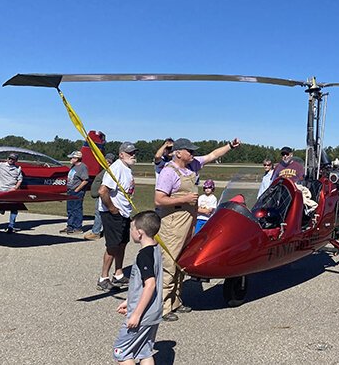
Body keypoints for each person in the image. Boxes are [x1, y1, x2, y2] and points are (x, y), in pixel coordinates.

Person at [155, 137, 241, 321]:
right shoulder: (168, 172)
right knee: (169, 263)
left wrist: (229, 146)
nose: (193, 154)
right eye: (189, 151)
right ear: (178, 153)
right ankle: (163, 307)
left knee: (181, 262)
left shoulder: (192, 165)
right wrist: (183, 200)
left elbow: (212, 155)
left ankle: (176, 301)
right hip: (173, 222)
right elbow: (159, 199)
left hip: (189, 220)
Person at [112, 210, 163, 365]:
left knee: (122, 352)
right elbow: (141, 285)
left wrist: (136, 314)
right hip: (154, 312)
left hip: (143, 315)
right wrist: (129, 301)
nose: (130, 231)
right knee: (144, 351)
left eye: (131, 228)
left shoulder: (144, 256)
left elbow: (150, 285)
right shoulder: (156, 250)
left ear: (140, 233)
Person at [97, 142, 137, 291]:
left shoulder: (127, 168)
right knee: (113, 246)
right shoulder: (117, 168)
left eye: (134, 153)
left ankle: (118, 274)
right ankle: (103, 278)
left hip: (124, 213)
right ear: (121, 154)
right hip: (113, 213)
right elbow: (102, 191)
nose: (133, 155)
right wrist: (113, 209)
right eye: (129, 153)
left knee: (122, 243)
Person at [0, 153, 23, 234]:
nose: (11, 160)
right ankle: (2, 209)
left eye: (13, 159)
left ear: (16, 160)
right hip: (2, 191)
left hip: (12, 190)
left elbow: (20, 180)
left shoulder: (18, 168)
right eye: (10, 158)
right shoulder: (0, 166)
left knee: (14, 209)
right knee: (0, 207)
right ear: (7, 158)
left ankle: (11, 226)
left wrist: (15, 188)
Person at [84, 152, 115, 240]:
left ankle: (96, 232)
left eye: (108, 161)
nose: (106, 162)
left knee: (99, 213)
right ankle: (105, 231)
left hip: (104, 195)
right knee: (102, 213)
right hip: (101, 195)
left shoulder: (110, 171)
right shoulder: (105, 170)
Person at [60, 150, 89, 234]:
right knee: (70, 209)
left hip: (77, 192)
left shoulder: (82, 167)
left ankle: (78, 228)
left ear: (77, 158)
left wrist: (77, 189)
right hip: (70, 190)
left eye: (72, 157)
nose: (71, 159)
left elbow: (85, 180)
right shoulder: (73, 166)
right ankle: (70, 226)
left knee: (77, 209)